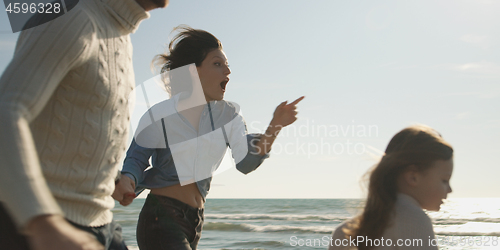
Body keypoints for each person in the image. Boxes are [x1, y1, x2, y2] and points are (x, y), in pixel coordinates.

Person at [112, 26, 304, 250]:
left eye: (227, 66)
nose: (227, 72)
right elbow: (136, 159)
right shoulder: (160, 115)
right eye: (217, 64)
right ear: (193, 71)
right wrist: (127, 180)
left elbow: (246, 163)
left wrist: (276, 125)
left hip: (195, 221)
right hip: (160, 217)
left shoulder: (229, 116)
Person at [0, 0, 170, 249]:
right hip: (41, 229)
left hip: (101, 224)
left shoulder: (118, 29)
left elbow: (81, 120)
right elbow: (7, 111)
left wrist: (112, 180)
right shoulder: (70, 16)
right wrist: (43, 223)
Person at [329, 125, 453, 250]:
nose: (450, 189)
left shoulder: (344, 232)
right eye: (444, 180)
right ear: (413, 177)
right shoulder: (414, 219)